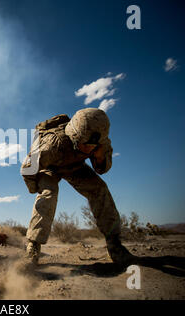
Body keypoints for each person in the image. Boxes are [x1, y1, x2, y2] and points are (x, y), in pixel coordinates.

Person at [21, 108, 136, 266]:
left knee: (99, 189)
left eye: (93, 146)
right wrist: (35, 188)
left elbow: (102, 169)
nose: (89, 148)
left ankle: (115, 245)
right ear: (74, 136)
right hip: (49, 167)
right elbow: (27, 169)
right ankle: (33, 246)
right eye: (85, 144)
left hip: (74, 166)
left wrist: (100, 156)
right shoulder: (52, 144)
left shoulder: (101, 139)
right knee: (49, 193)